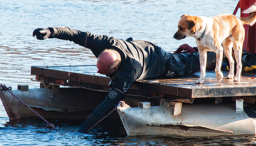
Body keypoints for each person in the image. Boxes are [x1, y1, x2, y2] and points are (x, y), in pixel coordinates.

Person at [33, 27, 213, 133]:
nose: (97, 72)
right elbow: (75, 35)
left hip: (161, 62)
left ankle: (229, 55)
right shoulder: (103, 42)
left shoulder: (128, 72)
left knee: (192, 62)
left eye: (103, 71)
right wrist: (51, 31)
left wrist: (82, 130)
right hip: (139, 47)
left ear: (117, 69)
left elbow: (109, 103)